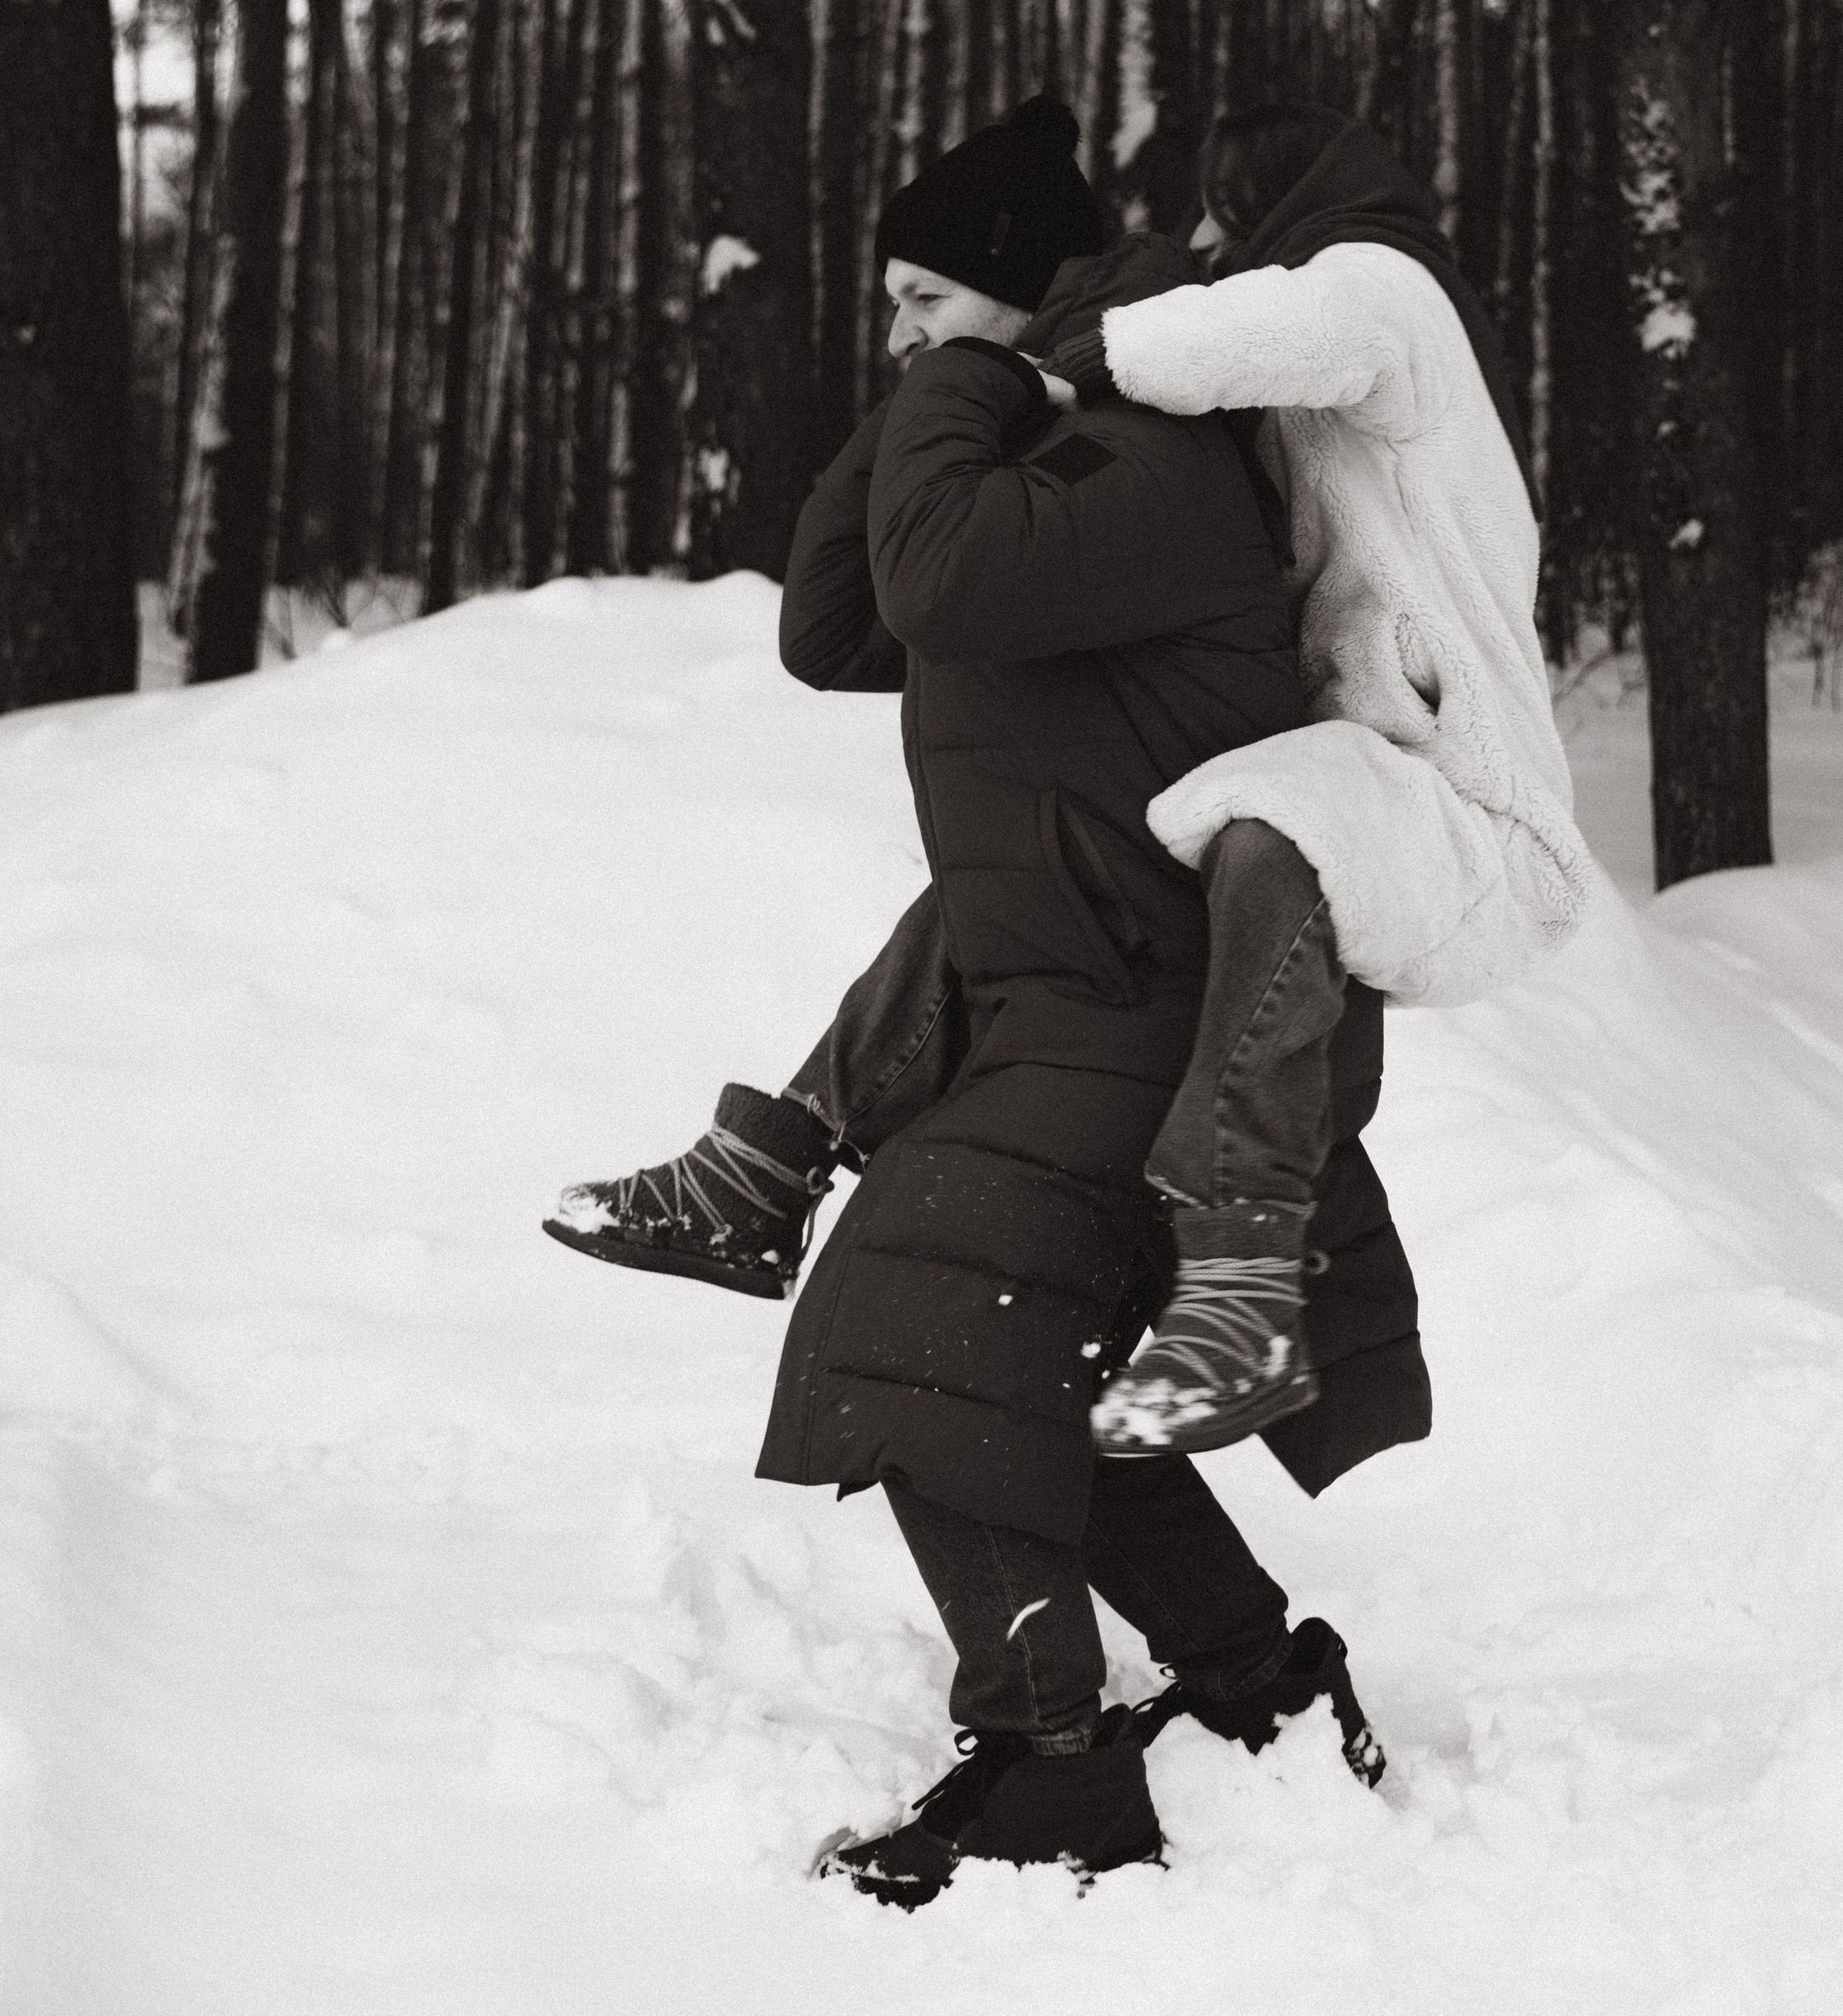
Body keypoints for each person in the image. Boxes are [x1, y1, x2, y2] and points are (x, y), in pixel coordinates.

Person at [551, 95, 1428, 1903]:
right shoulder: (1044, 446)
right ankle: (1258, 1689)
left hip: (1156, 1008)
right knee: (1021, 1367)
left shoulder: (1152, 460)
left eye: (923, 297)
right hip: (1055, 1000)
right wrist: (956, 381)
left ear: (1029, 293)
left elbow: (939, 573)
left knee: (914, 1339)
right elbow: (833, 624)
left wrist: (981, 381)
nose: (897, 333)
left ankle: (1049, 1766)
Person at [552, 100, 1582, 1460]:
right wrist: (958, 387)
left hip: (1468, 807)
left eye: (1222, 224)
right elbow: (846, 627)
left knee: (1284, 822)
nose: (1204, 251)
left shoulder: (1384, 296)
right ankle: (773, 1160)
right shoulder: (1274, 398)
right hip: (1347, 773)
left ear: (1285, 209)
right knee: (1033, 860)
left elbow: (1269, 326)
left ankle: (1243, 1289)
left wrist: (1065, 350)